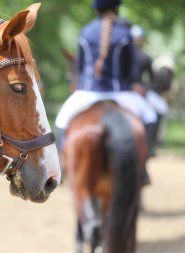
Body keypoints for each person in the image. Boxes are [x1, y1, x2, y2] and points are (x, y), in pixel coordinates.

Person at [54, 0, 157, 175]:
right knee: (150, 117)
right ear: (116, 8)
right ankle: (142, 164)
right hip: (120, 93)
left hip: (87, 92)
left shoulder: (85, 32)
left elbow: (80, 66)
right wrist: (134, 84)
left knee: (60, 121)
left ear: (96, 10)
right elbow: (131, 70)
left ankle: (61, 166)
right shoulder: (125, 34)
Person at [130, 25, 170, 153]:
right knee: (155, 113)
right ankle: (150, 145)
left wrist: (145, 88)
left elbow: (151, 79)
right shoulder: (140, 56)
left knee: (161, 108)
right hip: (129, 90)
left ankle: (151, 144)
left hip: (133, 90)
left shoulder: (143, 57)